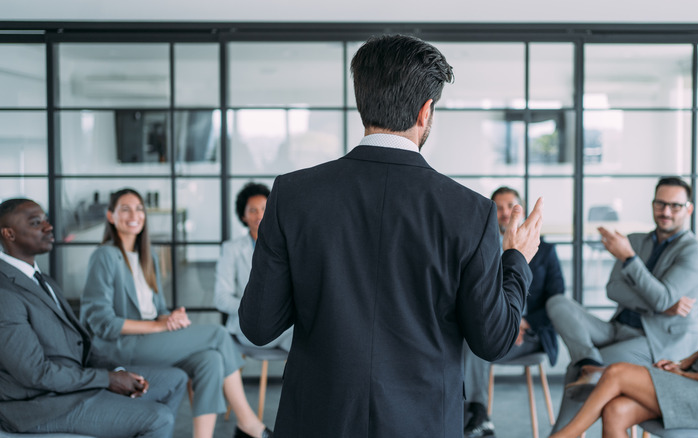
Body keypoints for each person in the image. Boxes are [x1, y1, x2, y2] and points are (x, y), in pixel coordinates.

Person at [239, 34, 544, 437]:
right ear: (425, 111)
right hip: (423, 422)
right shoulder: (471, 211)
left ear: (362, 103)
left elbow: (259, 326)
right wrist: (516, 261)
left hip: (317, 419)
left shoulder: (293, 195)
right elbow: (494, 341)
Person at [550, 207, 698, 437]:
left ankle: (564, 436)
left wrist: (689, 376)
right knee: (616, 410)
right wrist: (683, 363)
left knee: (616, 373)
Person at [79, 188, 272, 438]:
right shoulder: (104, 256)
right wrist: (158, 327)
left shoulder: (148, 258)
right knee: (217, 334)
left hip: (147, 342)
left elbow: (156, 311)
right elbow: (101, 322)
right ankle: (248, 423)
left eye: (139, 209)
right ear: (110, 216)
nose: (134, 215)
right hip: (119, 346)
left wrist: (168, 318)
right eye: (125, 209)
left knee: (210, 361)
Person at [0, 198, 188, 437]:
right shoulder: (5, 292)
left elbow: (82, 343)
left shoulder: (43, 280)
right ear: (9, 234)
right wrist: (106, 379)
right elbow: (35, 374)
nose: (49, 227)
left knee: (175, 380)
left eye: (46, 219)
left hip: (74, 385)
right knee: (159, 419)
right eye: (36, 223)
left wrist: (117, 370)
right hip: (42, 405)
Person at [546, 176, 698, 432]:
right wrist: (656, 303)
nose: (666, 212)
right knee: (557, 303)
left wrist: (630, 259)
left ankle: (559, 433)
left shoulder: (694, 252)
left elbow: (663, 297)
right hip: (617, 328)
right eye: (660, 204)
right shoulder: (635, 239)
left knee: (576, 372)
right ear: (653, 204)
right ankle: (587, 359)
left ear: (688, 209)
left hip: (656, 343)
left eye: (675, 206)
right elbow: (614, 289)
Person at [462, 187, 565, 438]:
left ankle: (474, 414)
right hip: (493, 326)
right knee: (471, 341)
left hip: (530, 335)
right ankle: (478, 414)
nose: (505, 212)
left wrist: (522, 323)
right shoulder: (481, 249)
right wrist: (503, 323)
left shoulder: (546, 251)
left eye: (511, 206)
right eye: (498, 207)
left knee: (477, 342)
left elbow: (557, 301)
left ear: (521, 209)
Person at [215, 182, 292, 350]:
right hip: (247, 326)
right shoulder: (231, 249)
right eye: (252, 210)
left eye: (264, 208)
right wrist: (256, 308)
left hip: (283, 324)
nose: (259, 215)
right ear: (243, 216)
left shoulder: (285, 247)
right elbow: (221, 299)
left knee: (309, 345)